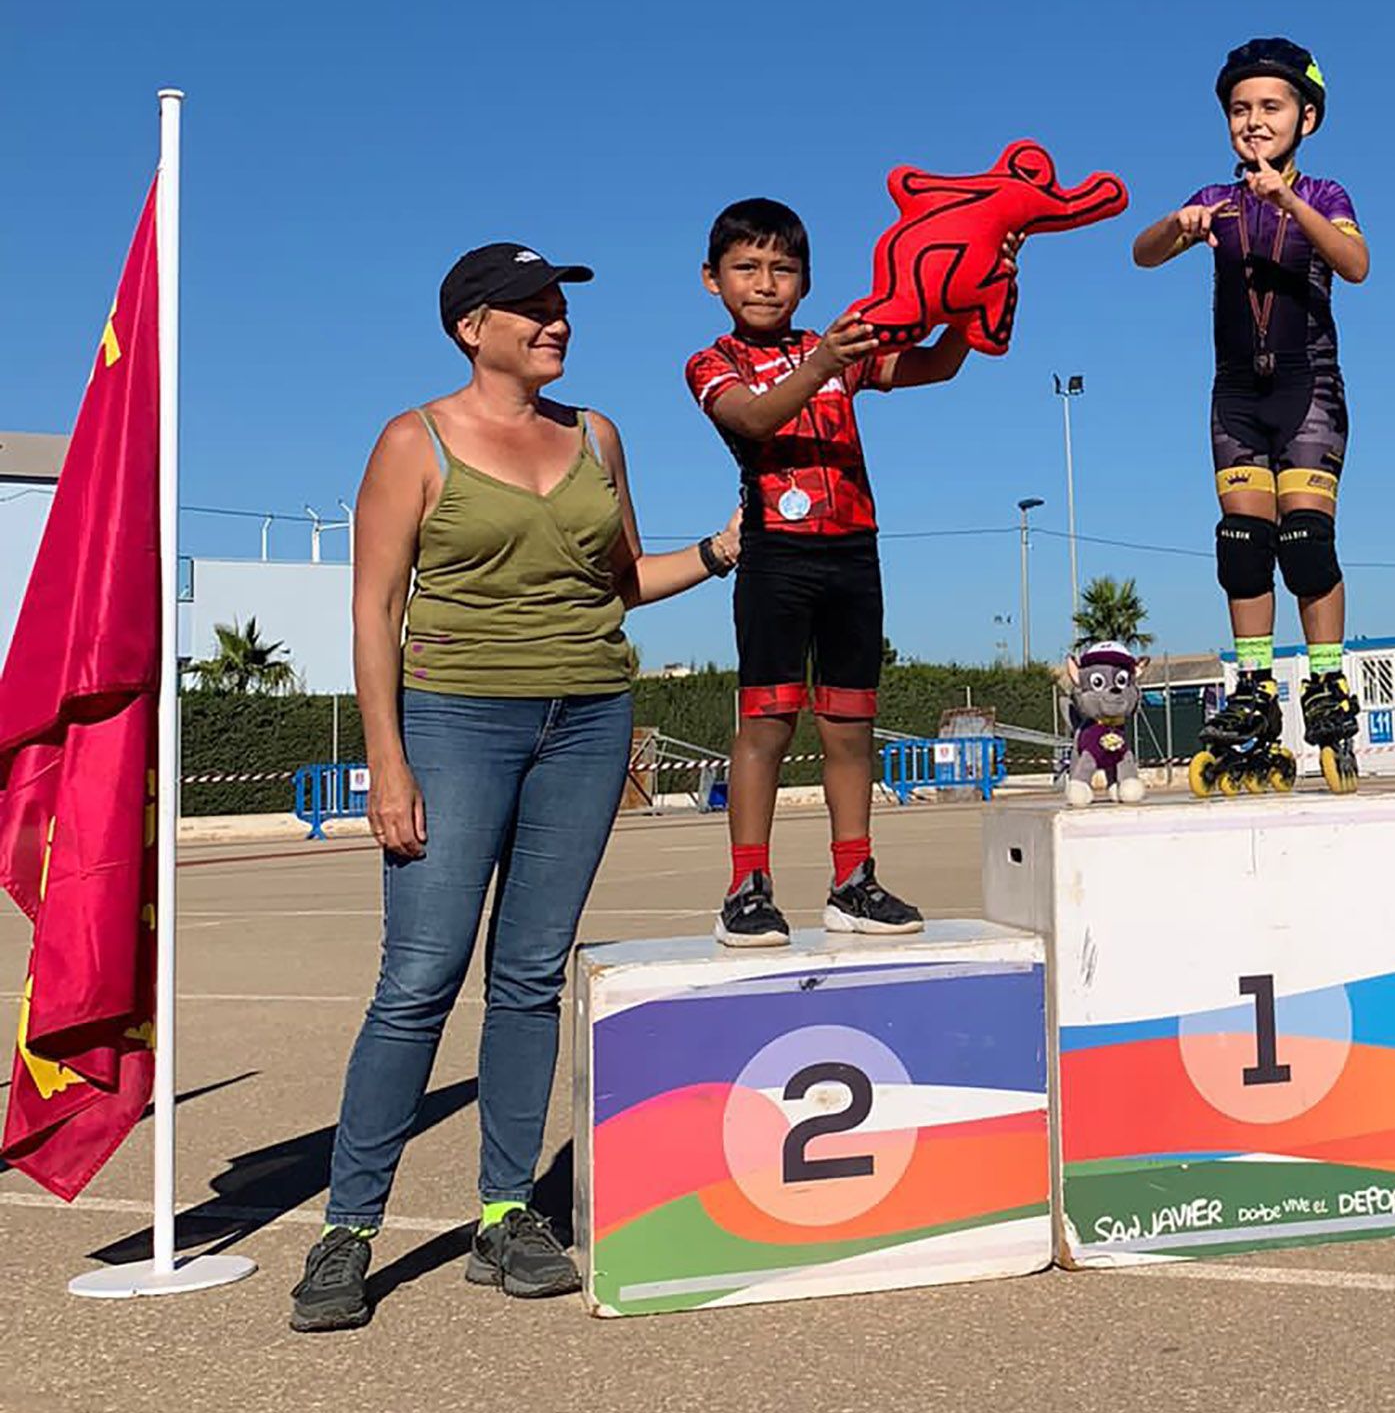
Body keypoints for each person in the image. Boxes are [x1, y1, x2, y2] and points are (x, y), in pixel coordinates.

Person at [290, 244, 740, 1333]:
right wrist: (386, 760)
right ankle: (347, 1231)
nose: (554, 322)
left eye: (559, 307)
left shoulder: (597, 437)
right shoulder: (415, 440)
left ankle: (503, 1214)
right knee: (419, 980)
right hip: (454, 721)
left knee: (532, 975)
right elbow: (371, 610)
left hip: (587, 722)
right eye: (531, 308)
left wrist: (724, 549)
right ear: (469, 327)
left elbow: (622, 582)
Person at [686, 199, 1004, 946]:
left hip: (855, 552)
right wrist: (824, 362)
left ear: (804, 281)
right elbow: (754, 419)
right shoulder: (714, 361)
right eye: (747, 268)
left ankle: (853, 880)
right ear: (713, 280)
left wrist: (976, 291)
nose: (765, 283)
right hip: (777, 554)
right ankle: (747, 885)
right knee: (766, 719)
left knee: (850, 726)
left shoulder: (842, 349)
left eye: (783, 269)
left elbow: (939, 363)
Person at [1131, 37, 1371, 794]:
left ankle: (1326, 683)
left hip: (1309, 391)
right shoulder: (1218, 200)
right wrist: (1179, 224)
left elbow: (1357, 265)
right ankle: (1256, 686)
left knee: (1303, 540)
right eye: (1241, 108)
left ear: (1307, 117)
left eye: (1271, 106)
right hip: (1235, 396)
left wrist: (1288, 201)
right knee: (1242, 544)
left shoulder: (1325, 193)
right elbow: (1142, 255)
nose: (1254, 120)